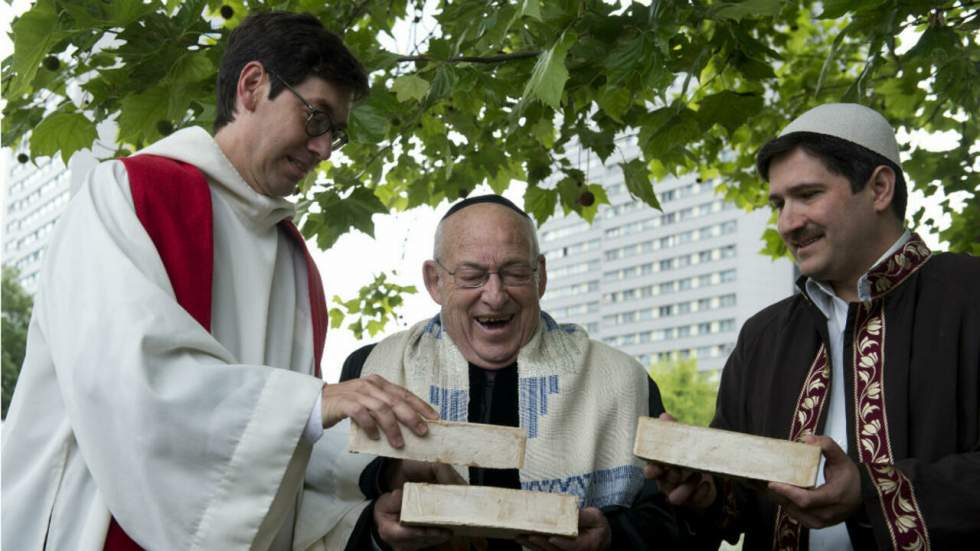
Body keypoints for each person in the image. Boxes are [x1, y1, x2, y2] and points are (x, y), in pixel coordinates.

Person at [1, 11, 438, 551]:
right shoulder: (127, 196)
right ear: (253, 86)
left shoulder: (295, 261)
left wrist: (381, 475)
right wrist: (311, 402)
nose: (324, 149)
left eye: (337, 134)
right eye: (317, 117)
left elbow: (278, 447)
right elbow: (123, 379)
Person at [647, 103, 980, 549]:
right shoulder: (762, 336)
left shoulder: (970, 295)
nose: (787, 223)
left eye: (808, 195)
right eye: (779, 203)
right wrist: (704, 489)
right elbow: (741, 498)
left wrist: (871, 492)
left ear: (880, 188)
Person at [339, 195, 699, 551]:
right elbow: (327, 508)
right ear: (435, 281)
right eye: (471, 276)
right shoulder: (371, 374)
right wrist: (376, 533)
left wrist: (609, 539)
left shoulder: (621, 380)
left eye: (514, 273)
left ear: (540, 277)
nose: (495, 296)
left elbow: (674, 523)